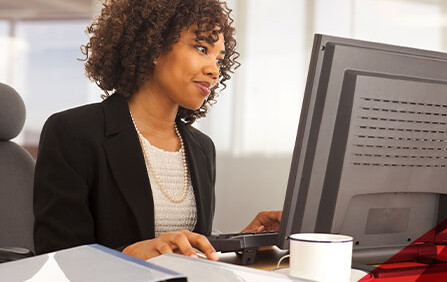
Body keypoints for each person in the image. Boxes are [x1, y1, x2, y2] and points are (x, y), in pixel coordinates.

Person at [33, 0, 281, 261]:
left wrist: (245, 242)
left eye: (219, 59)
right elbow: (57, 260)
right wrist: (129, 256)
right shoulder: (73, 133)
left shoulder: (201, 148)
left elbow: (188, 255)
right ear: (154, 46)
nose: (214, 70)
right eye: (201, 48)